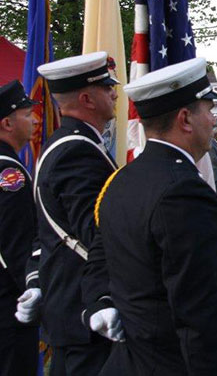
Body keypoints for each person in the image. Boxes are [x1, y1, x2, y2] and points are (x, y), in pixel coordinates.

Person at [82, 57, 217, 375]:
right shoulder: (184, 194)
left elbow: (98, 258)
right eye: (209, 111)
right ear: (185, 119)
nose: (214, 121)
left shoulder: (123, 180)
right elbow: (200, 317)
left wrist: (100, 302)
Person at [27, 52, 119, 375]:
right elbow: (98, 234)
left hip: (70, 307)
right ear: (86, 99)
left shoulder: (62, 144)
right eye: (107, 87)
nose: (115, 93)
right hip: (88, 310)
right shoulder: (77, 152)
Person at [0, 81, 39, 376]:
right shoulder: (9, 173)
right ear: (7, 123)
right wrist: (34, 288)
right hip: (9, 304)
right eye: (27, 114)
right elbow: (16, 244)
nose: (36, 120)